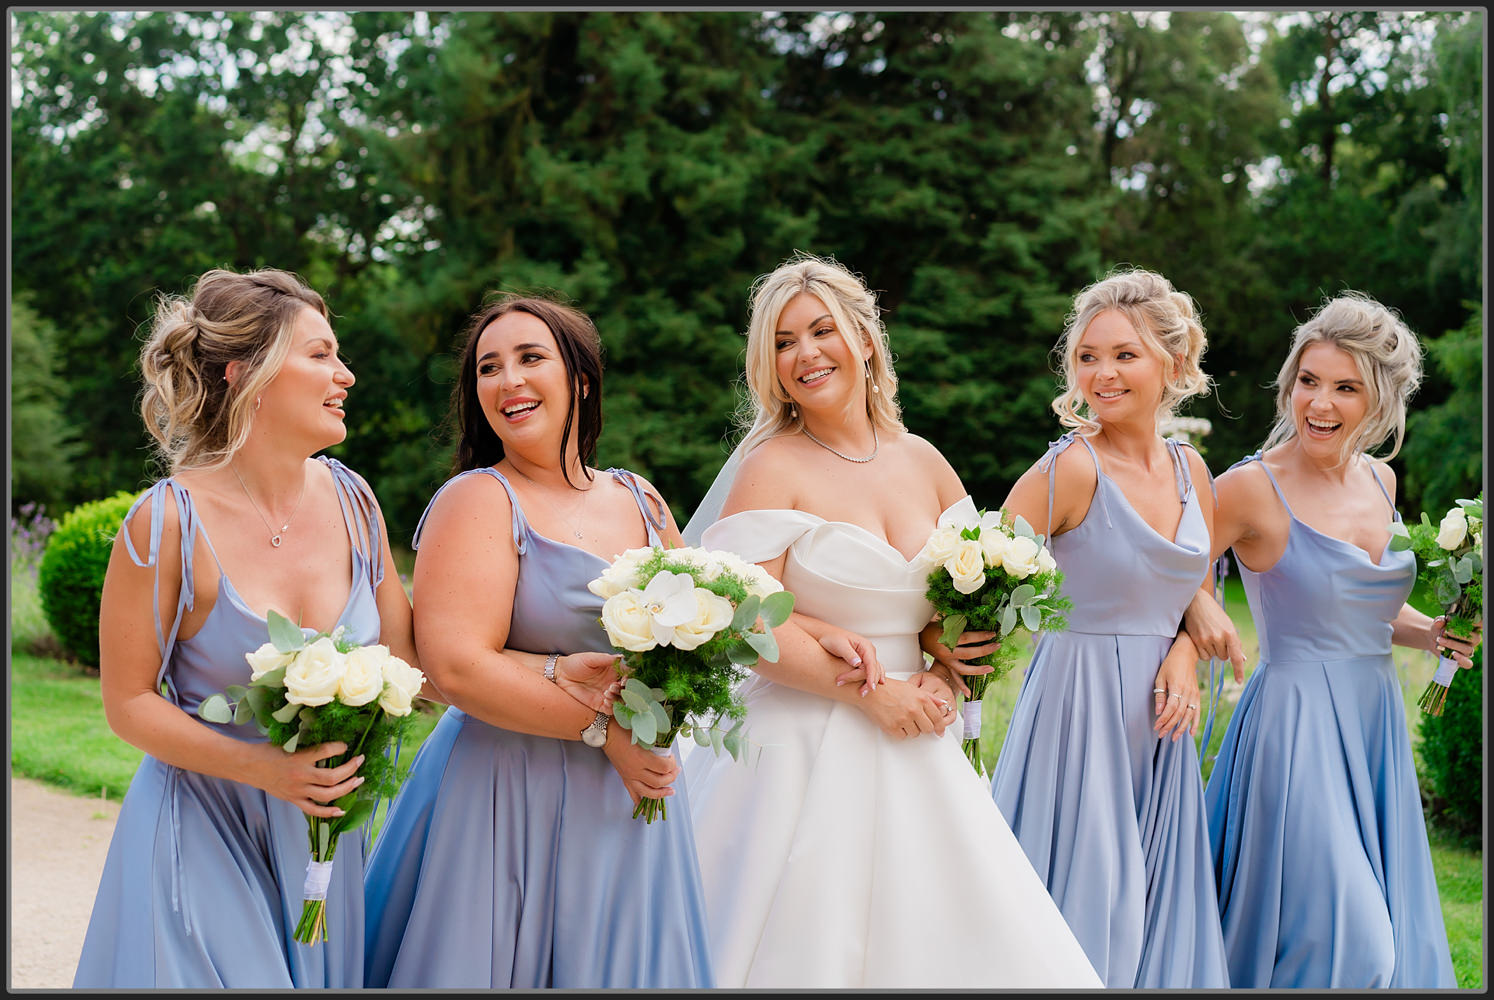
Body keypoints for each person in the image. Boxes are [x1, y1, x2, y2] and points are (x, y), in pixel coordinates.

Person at [681, 252, 1102, 989]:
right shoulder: (771, 466)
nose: (805, 354)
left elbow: (954, 606)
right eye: (783, 342)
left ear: (865, 339)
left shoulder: (924, 460)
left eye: (822, 331)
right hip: (799, 740)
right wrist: (872, 695)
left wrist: (944, 667)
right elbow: (742, 622)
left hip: (919, 731)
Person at [73, 268, 417, 988]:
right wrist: (265, 769)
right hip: (202, 830)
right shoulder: (165, 524)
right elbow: (127, 703)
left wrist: (561, 677)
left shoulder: (356, 502)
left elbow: (419, 662)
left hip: (321, 847)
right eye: (320, 354)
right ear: (245, 374)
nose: (346, 375)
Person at [361, 295, 714, 989]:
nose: (508, 380)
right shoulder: (478, 499)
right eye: (488, 368)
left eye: (530, 358)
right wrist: (604, 730)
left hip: (630, 796)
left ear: (579, 379)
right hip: (507, 791)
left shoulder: (641, 498)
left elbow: (694, 634)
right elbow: (455, 668)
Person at [1172, 292, 1480, 988]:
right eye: (1308, 380)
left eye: (1346, 387)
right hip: (1295, 731)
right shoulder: (1250, 487)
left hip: (1372, 722)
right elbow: (1170, 571)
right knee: (1354, 946)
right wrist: (1199, 610)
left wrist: (1431, 634)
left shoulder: (1381, 478)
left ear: (1381, 400)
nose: (1319, 402)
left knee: (1374, 941)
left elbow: (1361, 610)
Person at [982, 267, 1230, 988]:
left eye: (1125, 354)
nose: (1103, 373)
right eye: (1088, 357)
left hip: (1162, 719)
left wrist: (1184, 653)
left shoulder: (1192, 470)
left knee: (1154, 903)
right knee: (1089, 902)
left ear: (1172, 364)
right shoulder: (1068, 470)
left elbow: (1195, 584)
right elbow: (978, 584)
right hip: (1078, 710)